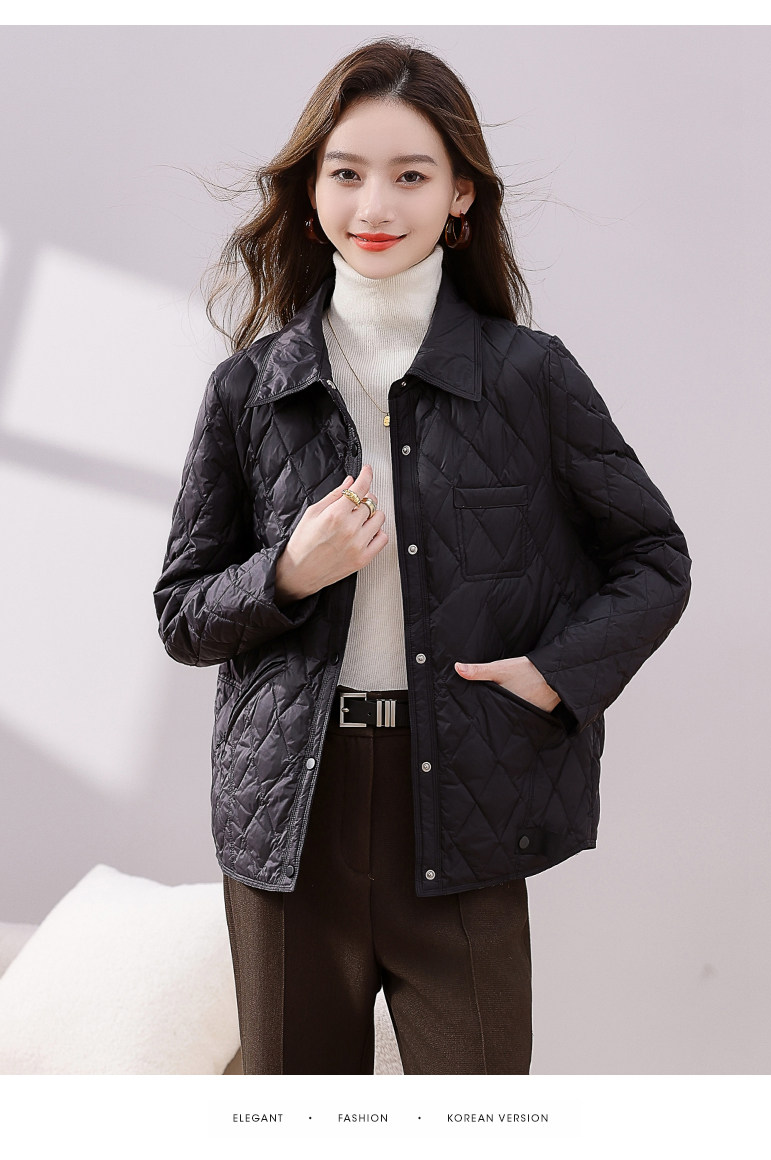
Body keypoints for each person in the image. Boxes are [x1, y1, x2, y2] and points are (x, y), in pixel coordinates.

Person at [153, 38, 692, 1076]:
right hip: (291, 815)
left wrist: (556, 673)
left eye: (410, 175)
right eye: (346, 172)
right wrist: (287, 572)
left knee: (478, 1119)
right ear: (311, 191)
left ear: (459, 196)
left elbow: (653, 556)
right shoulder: (250, 389)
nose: (375, 204)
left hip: (461, 802)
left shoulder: (529, 377)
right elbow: (182, 612)